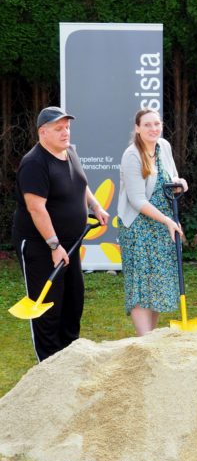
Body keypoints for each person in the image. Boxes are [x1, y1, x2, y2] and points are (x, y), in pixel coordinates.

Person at [11, 106, 109, 362]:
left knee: (72, 302)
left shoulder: (70, 151)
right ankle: (48, 368)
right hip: (40, 246)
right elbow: (36, 208)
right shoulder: (34, 163)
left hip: (70, 244)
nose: (65, 132)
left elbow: (81, 185)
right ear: (43, 133)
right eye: (58, 128)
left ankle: (68, 360)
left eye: (67, 127)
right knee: (47, 309)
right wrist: (54, 246)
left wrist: (95, 206)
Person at [117, 108, 187, 336]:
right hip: (138, 227)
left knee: (157, 283)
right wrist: (166, 220)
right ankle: (145, 340)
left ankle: (149, 339)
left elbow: (171, 178)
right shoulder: (132, 155)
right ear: (137, 128)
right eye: (147, 125)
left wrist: (180, 183)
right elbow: (137, 200)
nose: (153, 129)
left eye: (156, 124)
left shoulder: (163, 146)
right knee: (140, 283)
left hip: (163, 225)